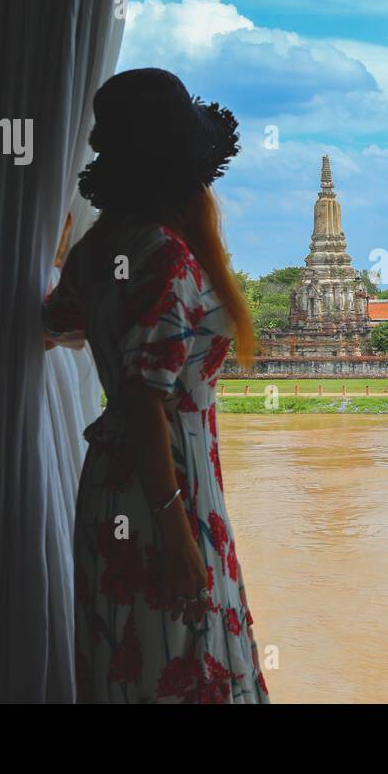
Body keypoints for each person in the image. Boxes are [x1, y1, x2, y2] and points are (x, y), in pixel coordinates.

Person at [43, 68, 268, 703]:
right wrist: (176, 534)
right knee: (182, 656)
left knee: (129, 660)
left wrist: (55, 257)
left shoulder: (97, 252)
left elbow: (56, 322)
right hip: (167, 487)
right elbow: (147, 394)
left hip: (115, 485)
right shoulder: (166, 252)